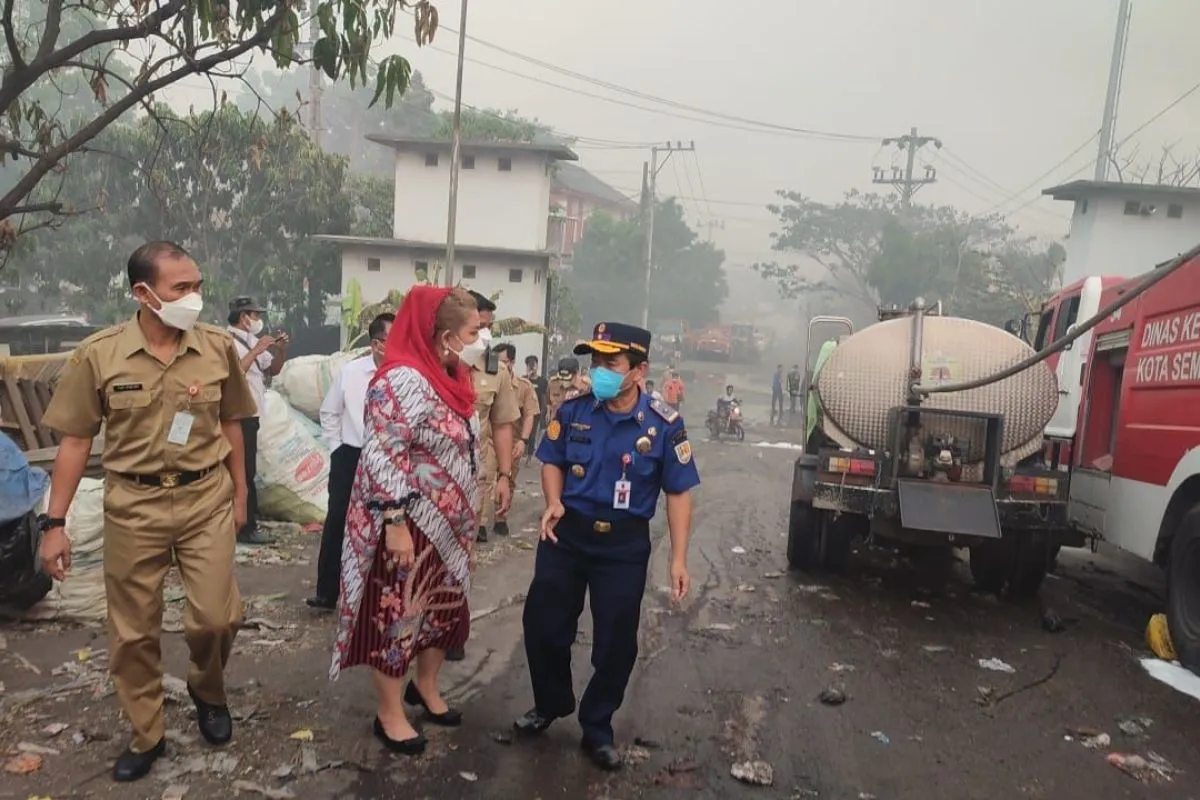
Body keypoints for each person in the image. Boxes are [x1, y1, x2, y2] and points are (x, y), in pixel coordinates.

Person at [37, 241, 257, 783]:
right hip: (134, 504)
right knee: (134, 631)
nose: (195, 298)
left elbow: (233, 421)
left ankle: (207, 687)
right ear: (143, 293)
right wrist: (55, 524)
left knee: (216, 616)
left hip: (206, 497)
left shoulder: (215, 347)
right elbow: (73, 442)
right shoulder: (100, 354)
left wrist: (242, 492)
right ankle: (147, 731)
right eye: (181, 288)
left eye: (198, 285)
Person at [514, 321, 700, 771]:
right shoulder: (575, 409)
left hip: (623, 545)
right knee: (543, 623)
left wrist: (678, 558)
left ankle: (597, 725)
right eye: (594, 361)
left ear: (639, 370)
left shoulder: (663, 425)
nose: (598, 370)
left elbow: (678, 492)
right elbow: (552, 461)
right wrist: (553, 501)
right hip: (567, 533)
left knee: (616, 641)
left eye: (610, 362)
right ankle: (551, 700)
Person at [330, 286, 494, 756]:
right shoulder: (401, 380)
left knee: (442, 612)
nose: (481, 337)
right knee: (399, 617)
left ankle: (427, 687)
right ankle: (390, 712)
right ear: (443, 335)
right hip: (408, 523)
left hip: (450, 527)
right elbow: (383, 453)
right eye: (473, 331)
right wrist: (396, 522)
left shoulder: (456, 376)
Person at [307, 312, 394, 611]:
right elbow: (330, 411)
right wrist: (336, 447)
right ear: (377, 344)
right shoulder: (352, 372)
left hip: (388, 457)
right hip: (351, 454)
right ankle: (327, 592)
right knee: (338, 521)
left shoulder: (403, 374)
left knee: (387, 521)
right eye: (391, 339)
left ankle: (376, 594)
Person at [226, 296, 289, 545]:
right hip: (238, 416)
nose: (258, 320)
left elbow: (272, 370)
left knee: (247, 470)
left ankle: (245, 520)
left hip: (252, 416)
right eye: (255, 315)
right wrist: (256, 350)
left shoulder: (252, 340)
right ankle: (245, 527)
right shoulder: (227, 341)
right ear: (243, 317)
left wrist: (280, 350)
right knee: (243, 473)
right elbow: (233, 374)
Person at [466, 290, 518, 545]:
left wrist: (504, 477)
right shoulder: (432, 365)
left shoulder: (496, 371)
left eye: (487, 327)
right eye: (478, 327)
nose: (484, 335)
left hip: (476, 481)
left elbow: (502, 425)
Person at [493, 342, 539, 537]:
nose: (498, 366)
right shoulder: (488, 381)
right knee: (483, 479)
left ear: (511, 362)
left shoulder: (524, 387)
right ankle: (479, 524)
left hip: (512, 441)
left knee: (508, 478)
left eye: (503, 362)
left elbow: (530, 414)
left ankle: (500, 518)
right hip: (488, 440)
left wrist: (523, 440)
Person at [524, 354, 549, 464]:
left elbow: (544, 398)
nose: (532, 367)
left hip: (536, 411)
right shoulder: (524, 379)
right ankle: (522, 452)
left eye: (534, 365)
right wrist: (528, 377)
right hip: (524, 411)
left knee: (533, 433)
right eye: (530, 365)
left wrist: (543, 413)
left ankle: (529, 457)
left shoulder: (542, 381)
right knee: (524, 433)